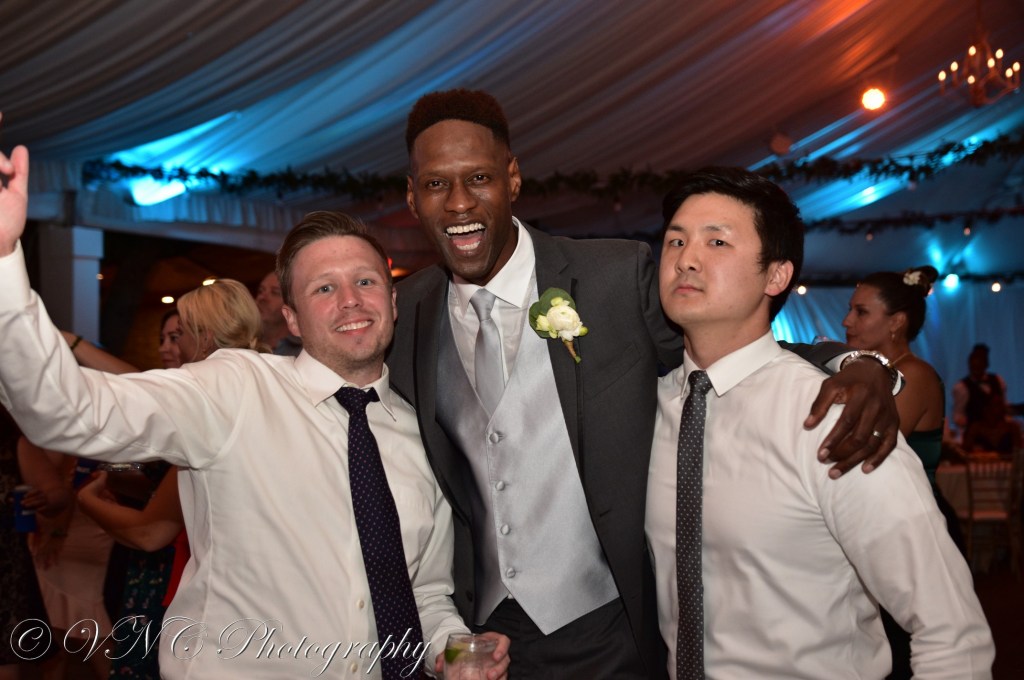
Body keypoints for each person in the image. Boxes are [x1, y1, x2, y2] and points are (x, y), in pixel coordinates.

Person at [389, 89, 900, 677]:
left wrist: (858, 363)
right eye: (436, 184)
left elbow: (727, 345)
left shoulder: (613, 276)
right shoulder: (407, 312)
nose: (459, 202)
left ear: (512, 178)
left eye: (478, 178)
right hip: (484, 635)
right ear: (412, 196)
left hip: (612, 626)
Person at [0, 140, 508, 679]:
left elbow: (422, 593)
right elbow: (68, 411)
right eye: (324, 288)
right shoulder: (234, 389)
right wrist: (6, 260)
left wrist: (454, 652)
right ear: (291, 320)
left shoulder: (418, 433)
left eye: (365, 281)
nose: (350, 301)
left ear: (392, 300)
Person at [645, 167, 993, 679]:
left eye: (717, 241)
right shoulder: (649, 409)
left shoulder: (835, 416)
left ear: (776, 276)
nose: (686, 259)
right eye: (676, 240)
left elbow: (951, 632)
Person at [952, 343, 1009, 436]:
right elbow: (958, 415)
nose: (977, 365)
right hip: (976, 436)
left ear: (986, 363)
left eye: (980, 361)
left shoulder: (998, 380)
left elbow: (1004, 406)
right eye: (974, 362)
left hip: (1000, 433)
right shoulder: (962, 387)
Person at [255, 270, 302, 356]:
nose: (262, 297)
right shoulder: (242, 345)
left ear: (293, 305)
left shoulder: (305, 352)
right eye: (260, 291)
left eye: (275, 292)